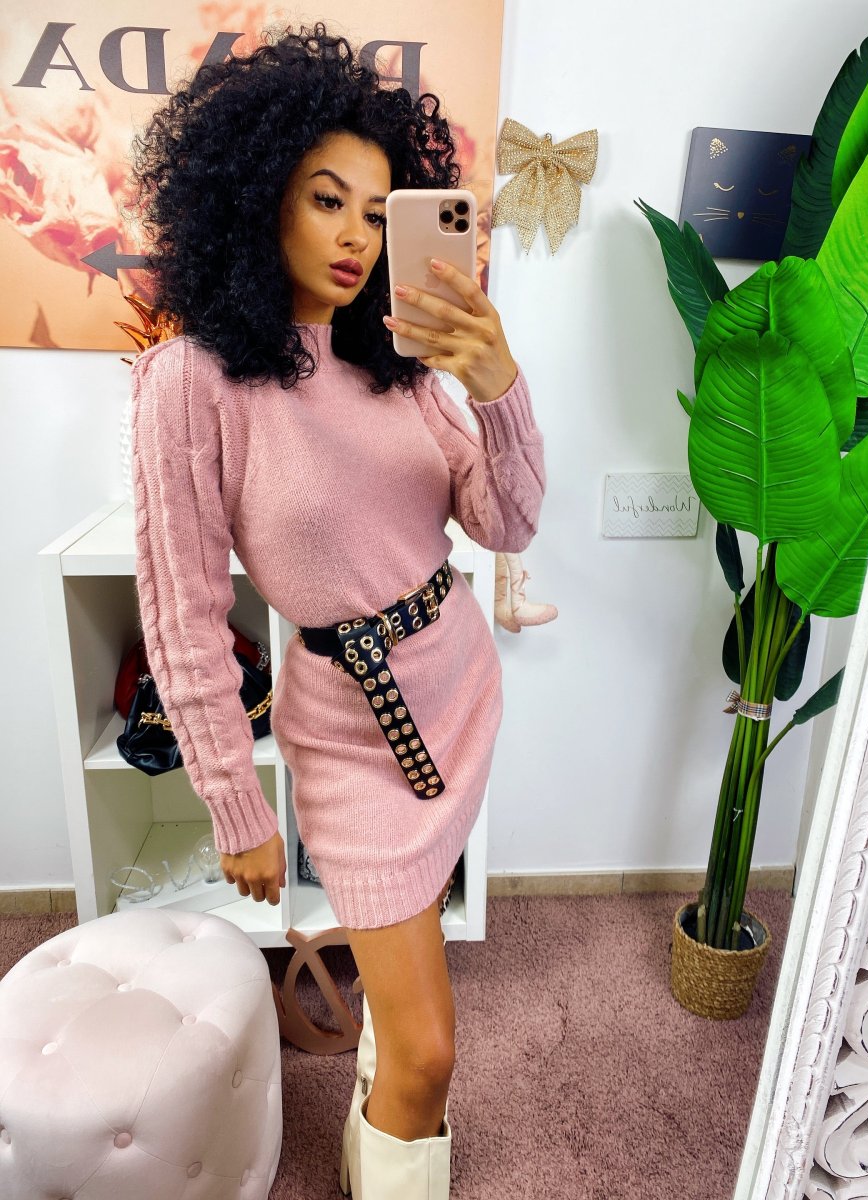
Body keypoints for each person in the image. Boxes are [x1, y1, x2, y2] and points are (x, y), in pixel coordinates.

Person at [127, 22, 546, 1200]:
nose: (358, 236)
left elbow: (508, 524)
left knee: (410, 997)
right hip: (353, 735)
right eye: (327, 200)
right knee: (431, 1051)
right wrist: (233, 800)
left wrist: (498, 386)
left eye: (377, 210)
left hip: (456, 686)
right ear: (258, 195)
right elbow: (182, 615)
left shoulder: (401, 367)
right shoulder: (194, 383)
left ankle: (379, 1110)